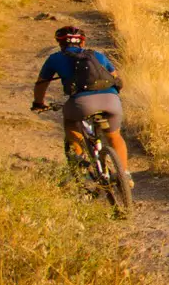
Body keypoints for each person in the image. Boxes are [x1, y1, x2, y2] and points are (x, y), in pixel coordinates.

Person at [31, 25, 132, 185]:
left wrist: (38, 103)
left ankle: (82, 172)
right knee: (114, 136)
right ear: (82, 42)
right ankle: (125, 175)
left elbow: (41, 84)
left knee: (70, 123)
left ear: (60, 42)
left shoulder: (55, 58)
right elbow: (115, 77)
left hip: (81, 103)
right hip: (111, 100)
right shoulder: (97, 55)